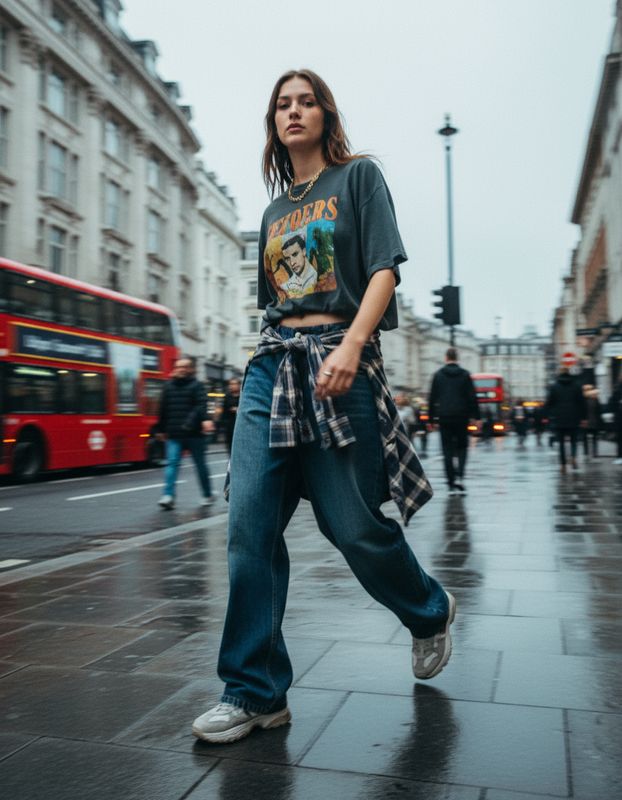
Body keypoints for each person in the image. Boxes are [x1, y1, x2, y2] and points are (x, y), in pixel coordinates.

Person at [191, 68, 455, 745]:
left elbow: (385, 268)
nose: (294, 111)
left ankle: (428, 610)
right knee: (249, 524)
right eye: (283, 103)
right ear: (273, 123)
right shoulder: (276, 212)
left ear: (325, 114)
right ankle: (255, 692)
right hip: (271, 369)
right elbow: (278, 302)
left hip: (340, 362)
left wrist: (353, 345)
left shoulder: (358, 179)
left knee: (354, 528)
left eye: (306, 101)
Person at [155, 356, 215, 509]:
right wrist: (160, 429)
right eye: (178, 367)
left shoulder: (197, 386)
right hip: (174, 433)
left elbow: (201, 405)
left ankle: (207, 494)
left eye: (184, 367)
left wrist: (199, 420)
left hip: (194, 434)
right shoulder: (168, 386)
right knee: (172, 464)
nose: (180, 369)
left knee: (200, 465)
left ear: (190, 369)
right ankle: (168, 496)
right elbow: (163, 408)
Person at [429, 348, 480, 495]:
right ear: (457, 358)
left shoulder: (438, 375)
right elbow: (472, 398)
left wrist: (431, 419)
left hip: (444, 416)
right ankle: (460, 477)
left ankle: (450, 483)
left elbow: (433, 398)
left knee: (447, 450)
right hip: (462, 416)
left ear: (446, 358)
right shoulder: (465, 375)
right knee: (462, 447)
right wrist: (477, 417)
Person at [543, 367, 587, 472]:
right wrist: (584, 418)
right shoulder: (577, 386)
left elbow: (549, 403)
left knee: (561, 443)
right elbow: (582, 403)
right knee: (574, 441)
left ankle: (563, 465)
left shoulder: (554, 387)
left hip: (559, 418)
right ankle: (573, 457)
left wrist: (547, 415)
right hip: (574, 417)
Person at [219, 378, 241, 454]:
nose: (232, 386)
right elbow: (223, 413)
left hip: (240, 427)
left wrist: (238, 409)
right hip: (229, 428)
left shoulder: (243, 396)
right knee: (230, 450)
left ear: (239, 385)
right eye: (231, 384)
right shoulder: (227, 397)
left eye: (234, 384)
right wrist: (221, 426)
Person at [582, 385, 602, 458]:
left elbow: (599, 410)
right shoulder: (594, 399)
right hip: (590, 421)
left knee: (589, 438)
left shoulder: (585, 399)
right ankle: (592, 453)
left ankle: (588, 453)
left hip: (589, 421)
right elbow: (599, 410)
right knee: (592, 438)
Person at [608, 377, 622, 465]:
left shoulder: (617, 390)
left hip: (619, 419)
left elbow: (611, 404)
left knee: (620, 438)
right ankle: (620, 456)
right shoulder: (617, 391)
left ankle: (620, 456)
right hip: (619, 419)